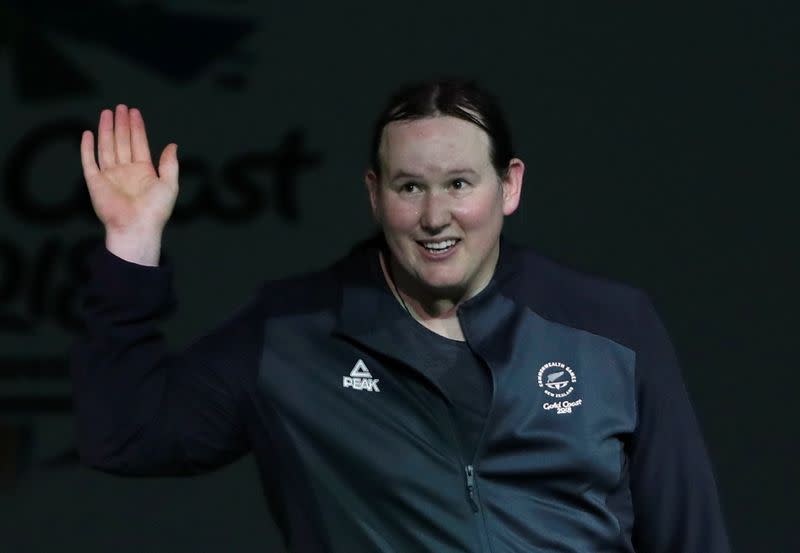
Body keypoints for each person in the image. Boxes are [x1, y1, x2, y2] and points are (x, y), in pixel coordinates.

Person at [71, 79, 731, 552]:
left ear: (511, 185)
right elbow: (125, 435)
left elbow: (690, 535)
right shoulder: (294, 333)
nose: (435, 215)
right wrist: (131, 247)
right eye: (410, 186)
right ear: (374, 193)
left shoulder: (609, 325)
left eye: (459, 184)